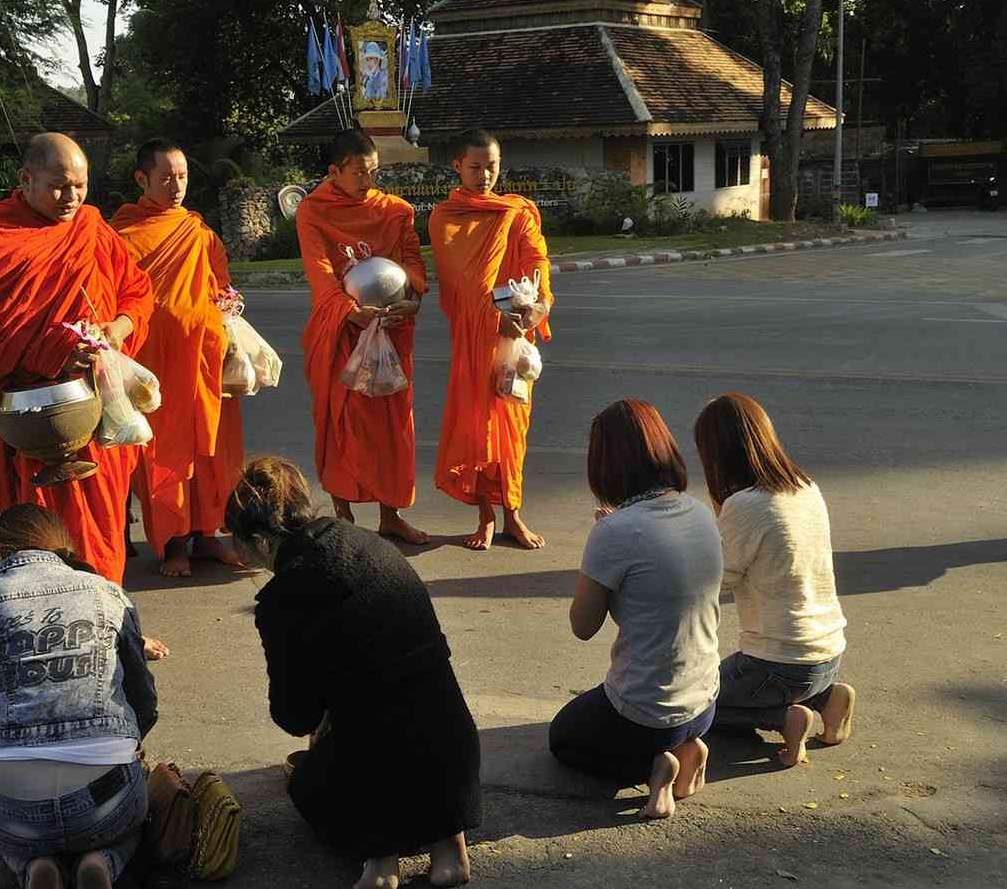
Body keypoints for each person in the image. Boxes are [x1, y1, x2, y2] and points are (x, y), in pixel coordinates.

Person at [227, 456, 480, 889]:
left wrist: (324, 711)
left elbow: (295, 716)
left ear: (260, 542)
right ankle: (449, 852)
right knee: (411, 709)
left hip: (374, 771)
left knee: (308, 779)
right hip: (453, 754)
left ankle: (380, 862)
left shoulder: (282, 598)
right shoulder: (368, 542)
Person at [0, 132, 153, 585]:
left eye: (80, 184)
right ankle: (40, 613)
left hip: (93, 408)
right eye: (58, 185)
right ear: (25, 179)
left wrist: (117, 328)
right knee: (39, 528)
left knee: (104, 520)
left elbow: (136, 292)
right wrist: (54, 349)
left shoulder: (92, 228)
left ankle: (108, 614)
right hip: (30, 418)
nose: (71, 197)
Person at [0, 504, 157, 889]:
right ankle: (102, 861)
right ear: (64, 547)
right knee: (133, 824)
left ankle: (32, 866)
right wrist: (131, 744)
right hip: (104, 798)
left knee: (13, 840)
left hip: (11, 806)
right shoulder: (108, 593)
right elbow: (143, 699)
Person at [549, 400, 721, 820]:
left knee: (563, 738)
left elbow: (583, 625)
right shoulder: (698, 511)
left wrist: (600, 546)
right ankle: (686, 745)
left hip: (647, 714)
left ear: (604, 465)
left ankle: (653, 768)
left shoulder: (615, 531)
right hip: (705, 701)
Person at [693, 393, 856, 767]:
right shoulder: (805, 487)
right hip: (828, 653)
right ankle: (828, 699)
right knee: (753, 685)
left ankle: (784, 719)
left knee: (691, 703)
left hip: (776, 663)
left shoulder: (747, 505)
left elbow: (718, 581)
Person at [112, 139, 245, 578]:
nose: (176, 186)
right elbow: (118, 298)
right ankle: (172, 544)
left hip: (204, 358)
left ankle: (208, 535)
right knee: (163, 454)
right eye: (166, 177)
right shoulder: (123, 236)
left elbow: (220, 281)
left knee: (211, 448)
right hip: (157, 364)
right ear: (142, 180)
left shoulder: (198, 230)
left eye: (183, 176)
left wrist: (227, 304)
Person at [295, 128, 429, 544]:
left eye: (373, 172)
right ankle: (343, 515)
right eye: (358, 173)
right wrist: (350, 313)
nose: (368, 182)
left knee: (393, 425)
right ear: (334, 171)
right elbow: (320, 273)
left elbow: (411, 261)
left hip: (390, 327)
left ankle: (391, 514)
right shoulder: (314, 211)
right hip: (342, 331)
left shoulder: (395, 210)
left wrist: (414, 298)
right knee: (342, 423)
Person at [430, 129, 553, 549]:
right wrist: (490, 318)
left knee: (513, 425)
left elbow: (537, 259)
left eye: (492, 166)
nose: (485, 176)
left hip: (515, 334)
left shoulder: (515, 212)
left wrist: (539, 305)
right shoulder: (446, 217)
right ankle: (484, 516)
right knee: (477, 429)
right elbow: (460, 285)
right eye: (476, 167)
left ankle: (513, 514)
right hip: (475, 338)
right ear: (458, 166)